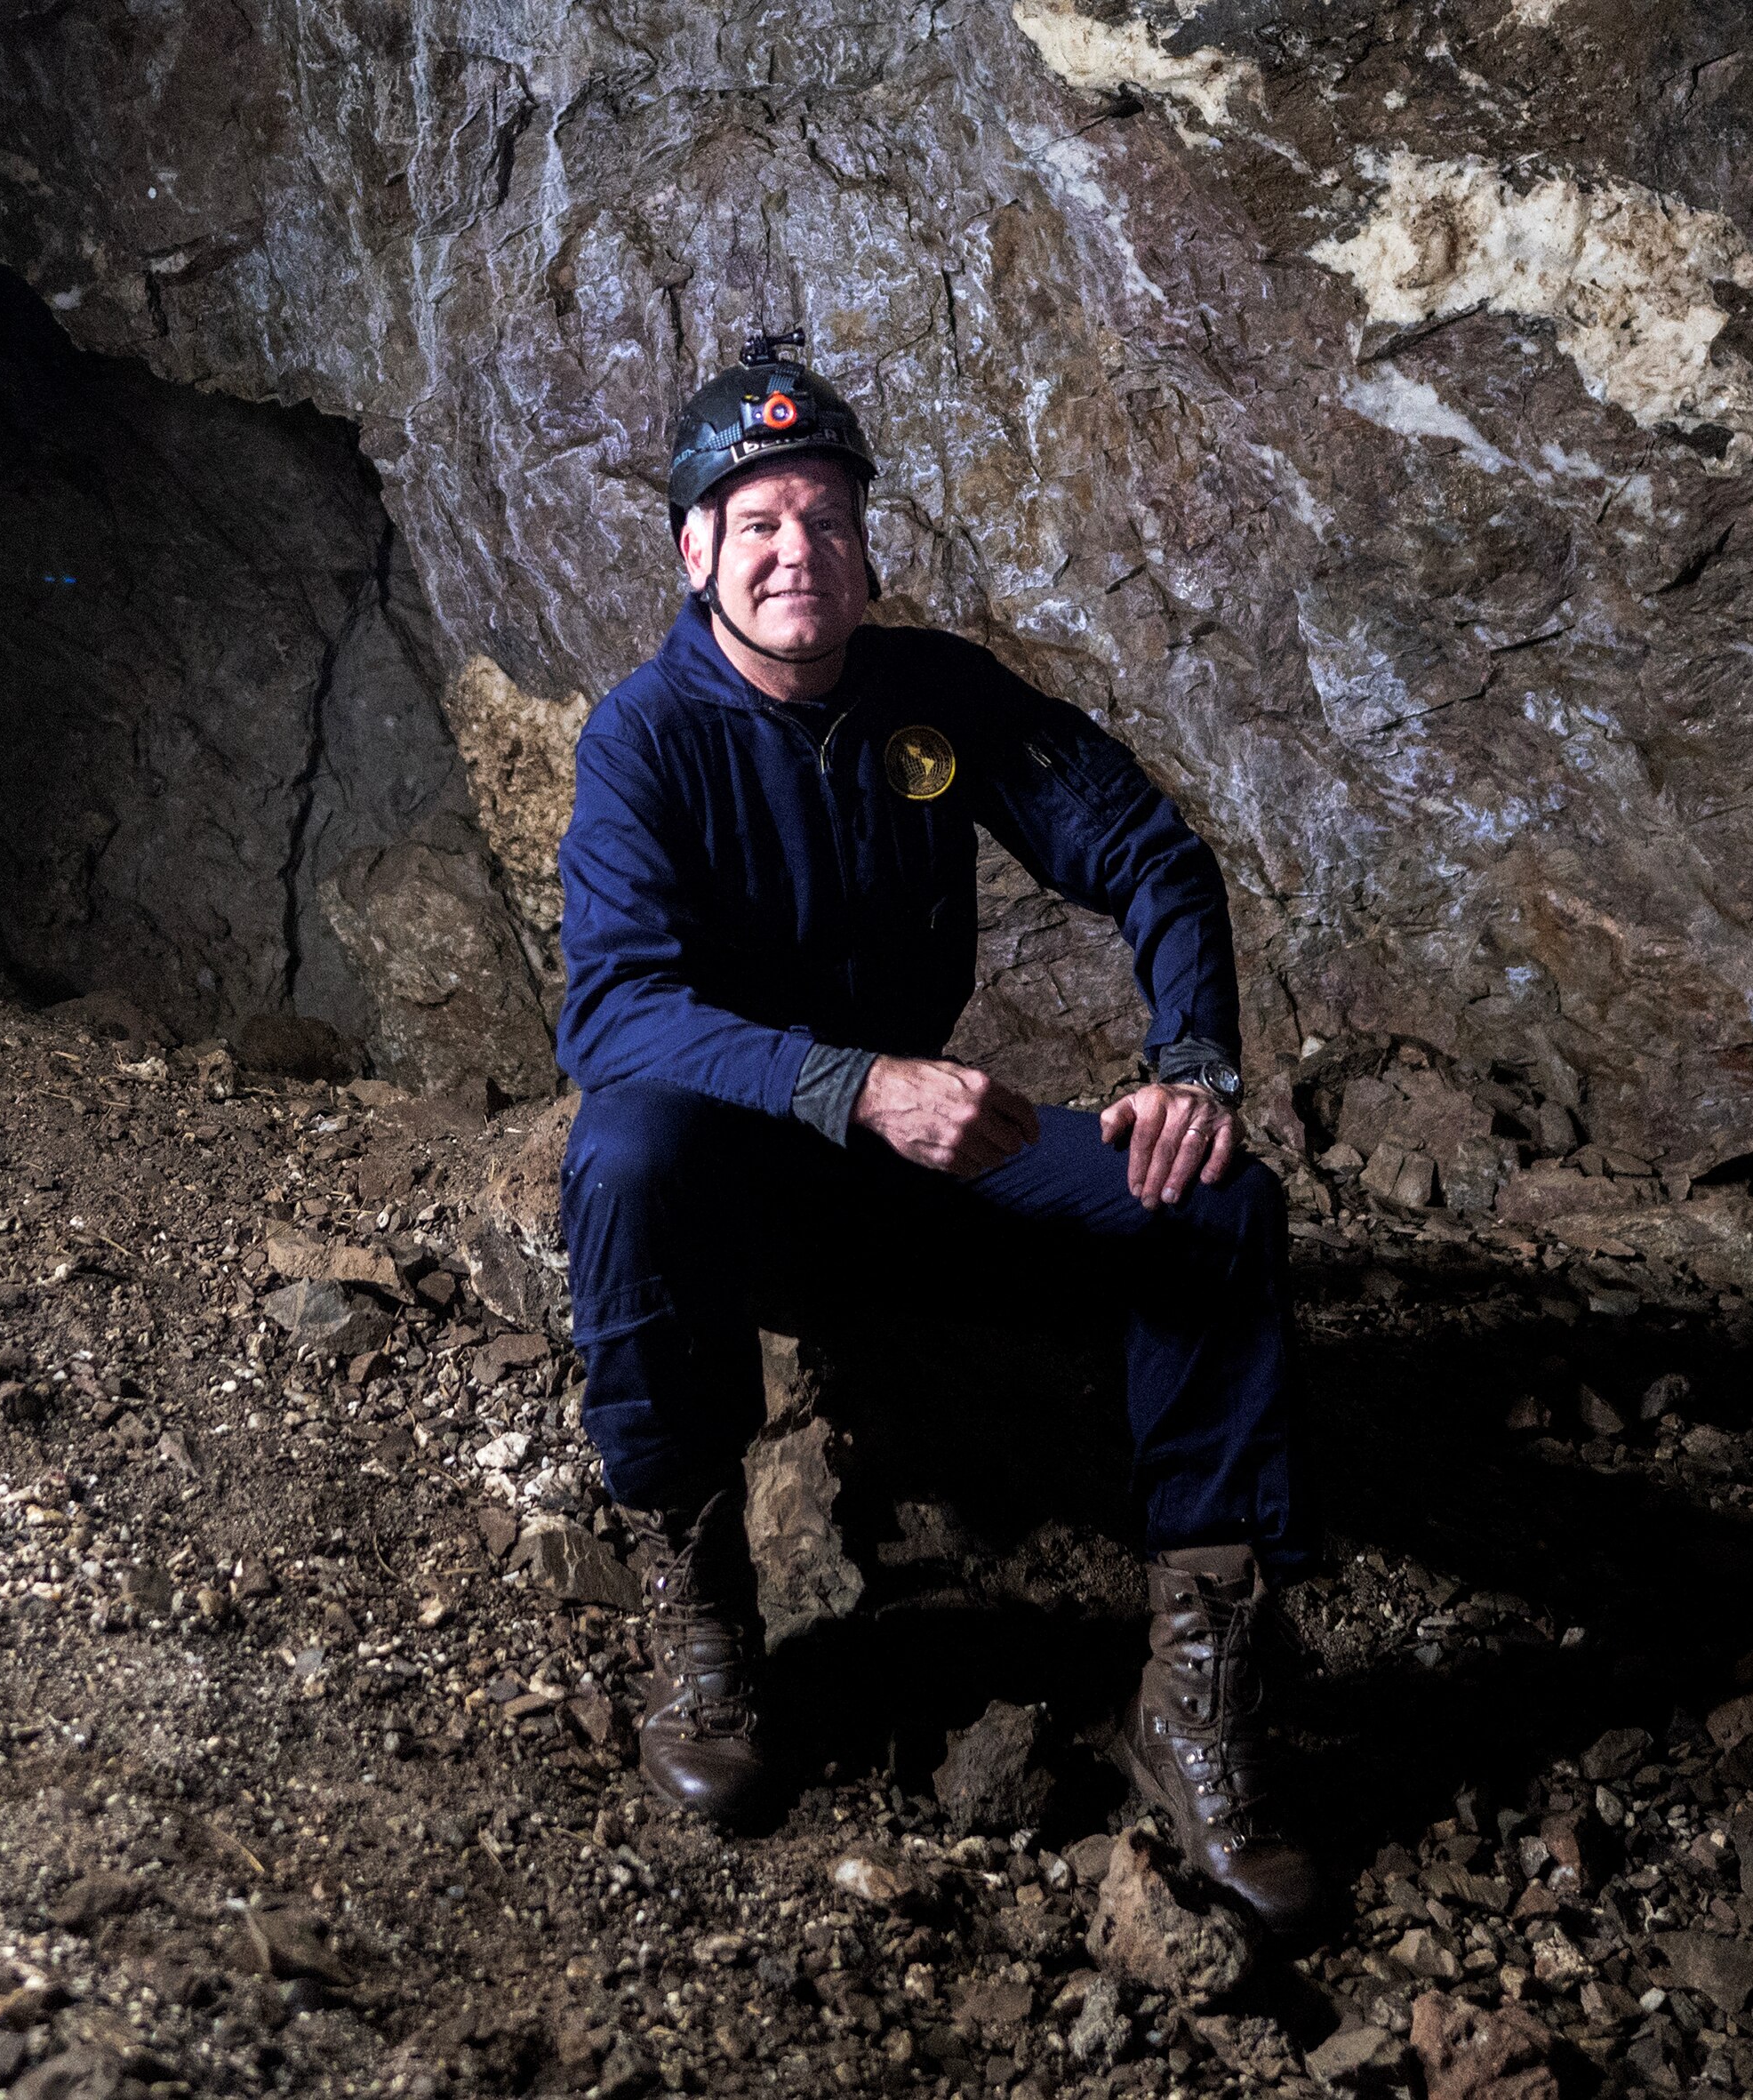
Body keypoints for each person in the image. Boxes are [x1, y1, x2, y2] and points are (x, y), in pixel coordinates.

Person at [552, 333, 1319, 1931]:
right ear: (695, 551)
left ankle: (1197, 1695)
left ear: (865, 543)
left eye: (824, 519)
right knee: (625, 1149)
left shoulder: (934, 699)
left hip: (918, 1178)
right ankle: (702, 1611)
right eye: (756, 522)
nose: (794, 553)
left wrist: (1194, 1063)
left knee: (1215, 1207)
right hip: (751, 1186)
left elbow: (1155, 856)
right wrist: (856, 1083)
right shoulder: (645, 737)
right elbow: (615, 1014)